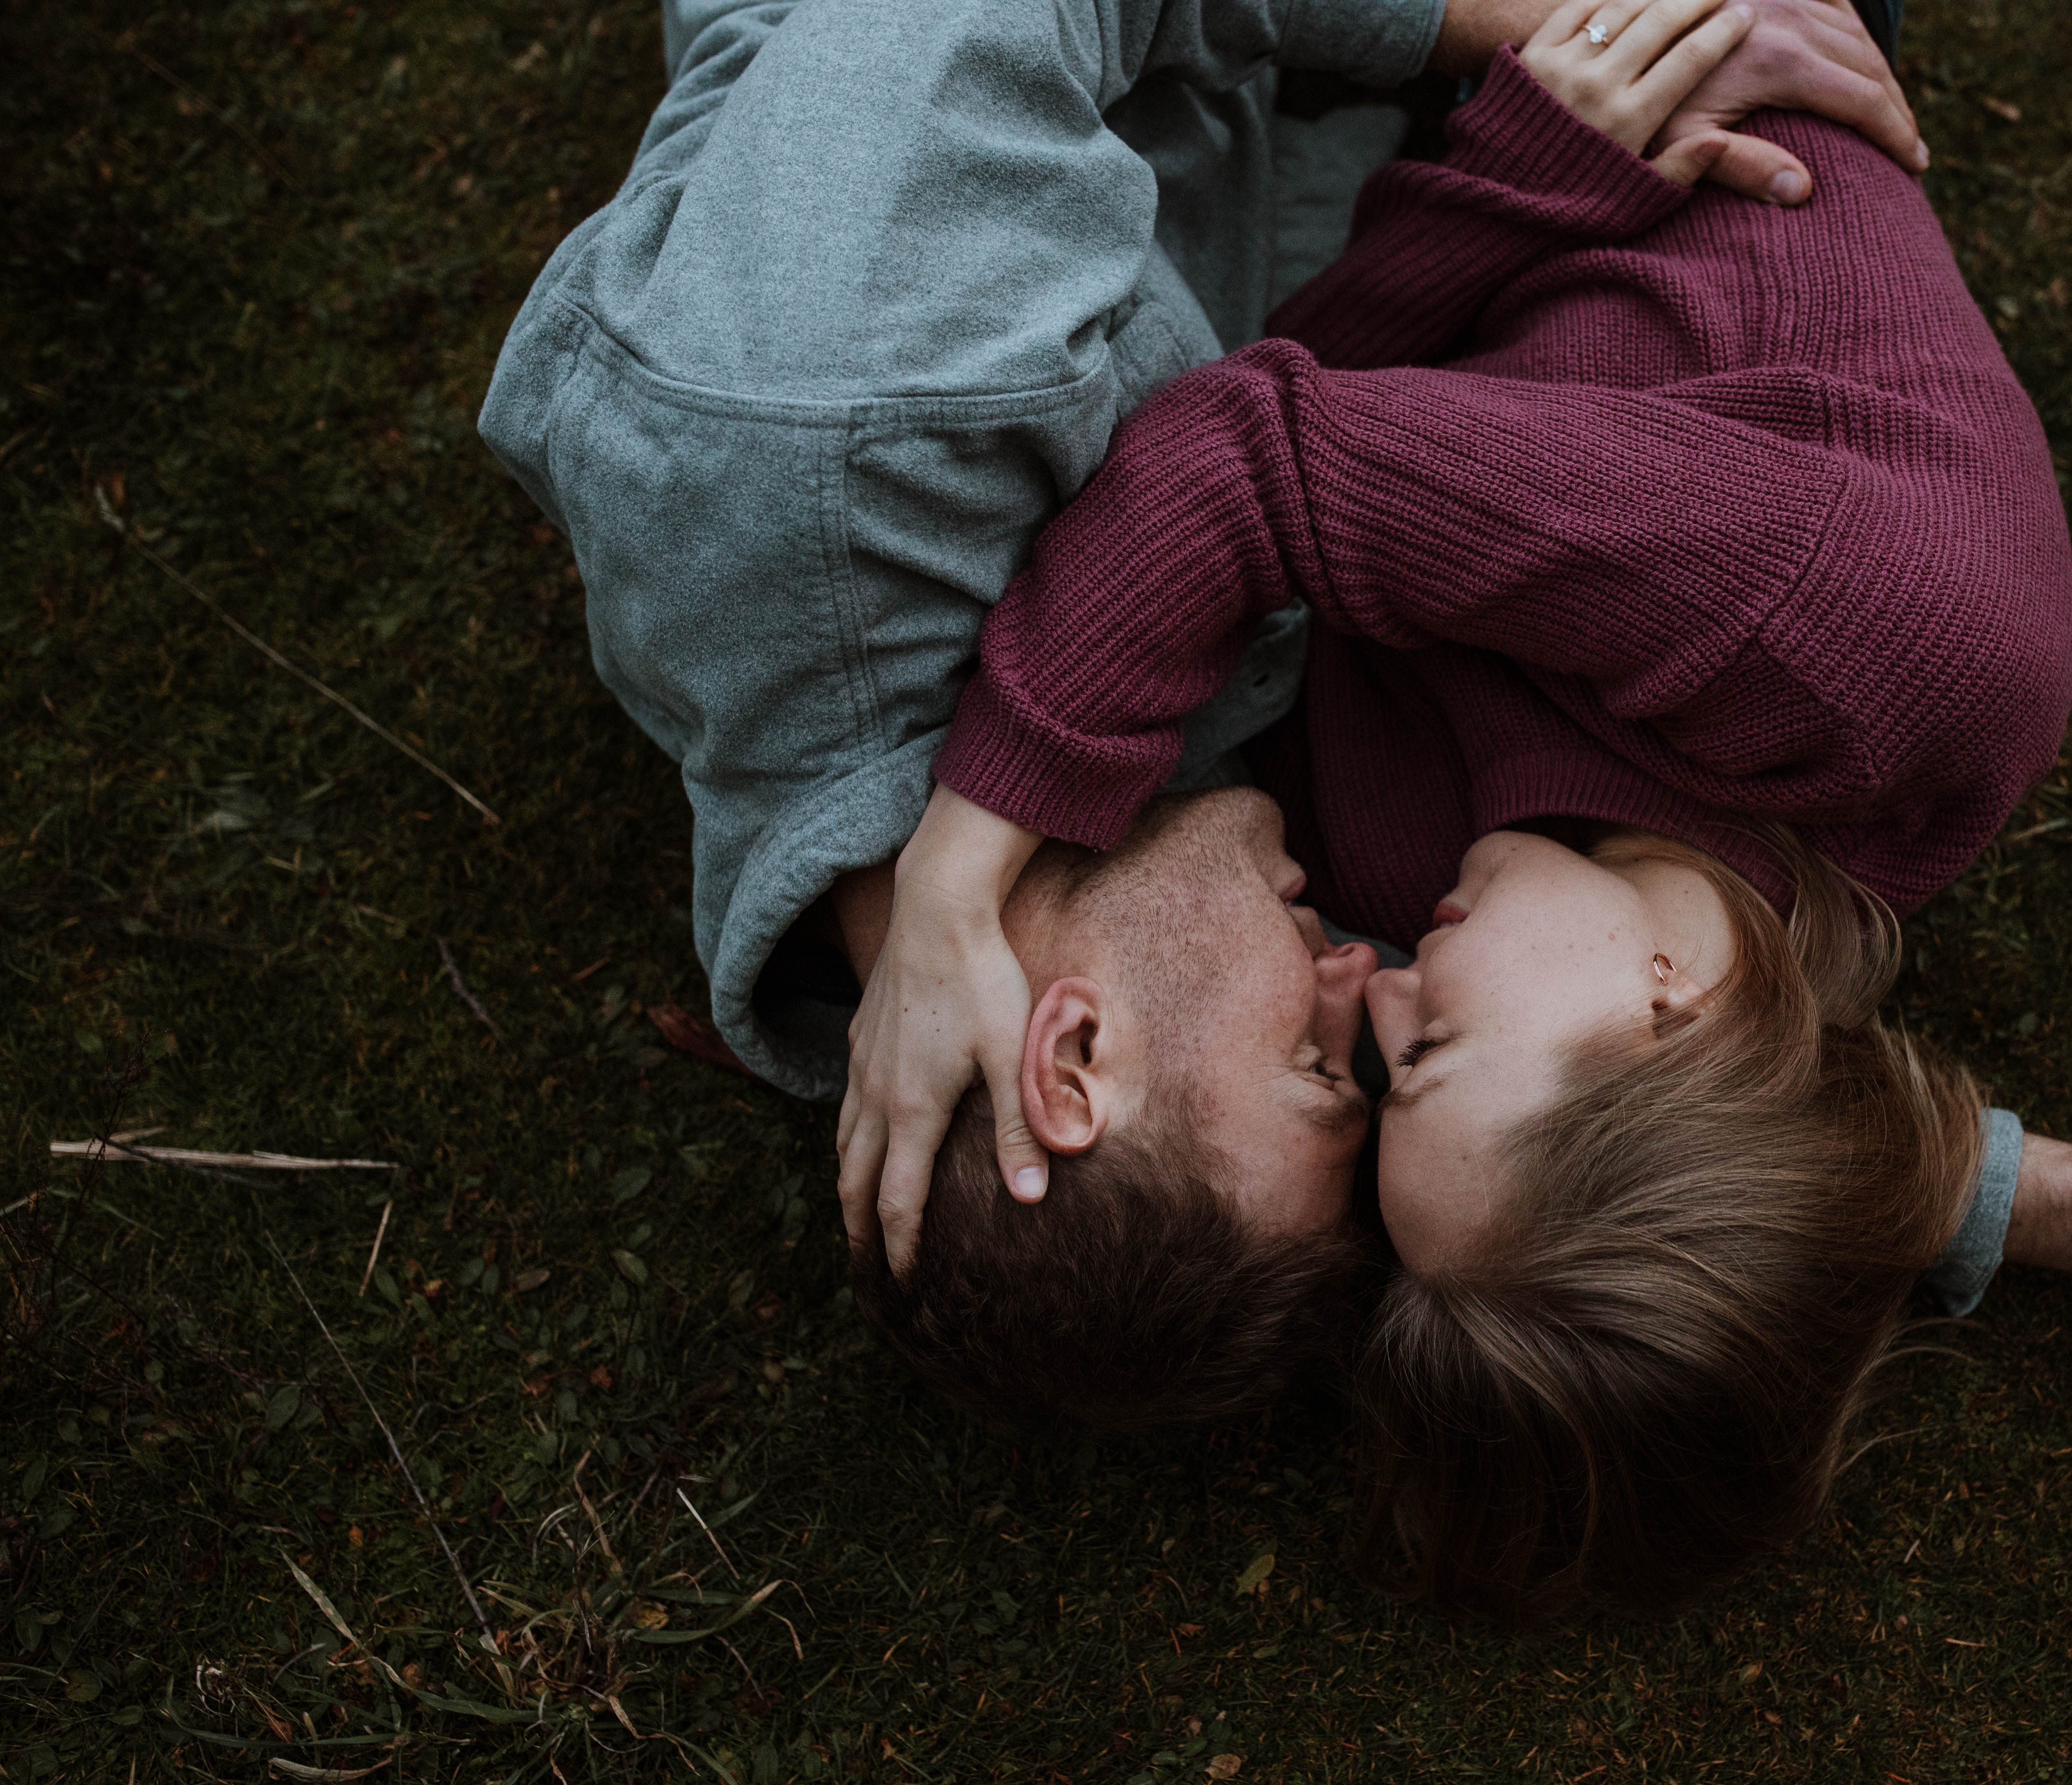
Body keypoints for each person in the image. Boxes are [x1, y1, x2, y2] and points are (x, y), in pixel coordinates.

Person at [884, 0, 2072, 1615]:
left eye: (1363, 1075)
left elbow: (1292, 402)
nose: (1365, 985)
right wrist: (958, 871)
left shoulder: (1453, 885)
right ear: (1674, 1002)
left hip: (1484, 177)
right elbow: (1247, 463)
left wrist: (1506, 179)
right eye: (1426, 1053)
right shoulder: (1849, 650)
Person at [478, 0, 1932, 1423]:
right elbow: (1620, 1090)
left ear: (1070, 1061)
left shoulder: (829, 425)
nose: (1363, 979)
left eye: (1315, 1065)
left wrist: (1509, 20)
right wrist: (2032, 1203)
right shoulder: (1084, 908)